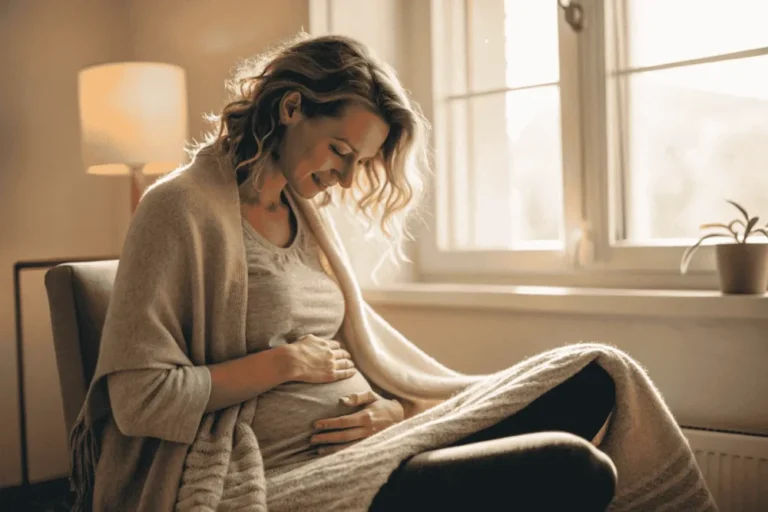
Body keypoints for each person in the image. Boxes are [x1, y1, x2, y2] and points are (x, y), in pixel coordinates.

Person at [96, 33, 618, 510]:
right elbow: (139, 401)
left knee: (590, 379)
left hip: (378, 446)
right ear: (291, 107)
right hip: (287, 474)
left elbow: (353, 354)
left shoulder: (307, 216)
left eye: (360, 163)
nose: (345, 178)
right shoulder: (177, 208)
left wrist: (394, 410)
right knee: (574, 468)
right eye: (340, 151)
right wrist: (282, 363)